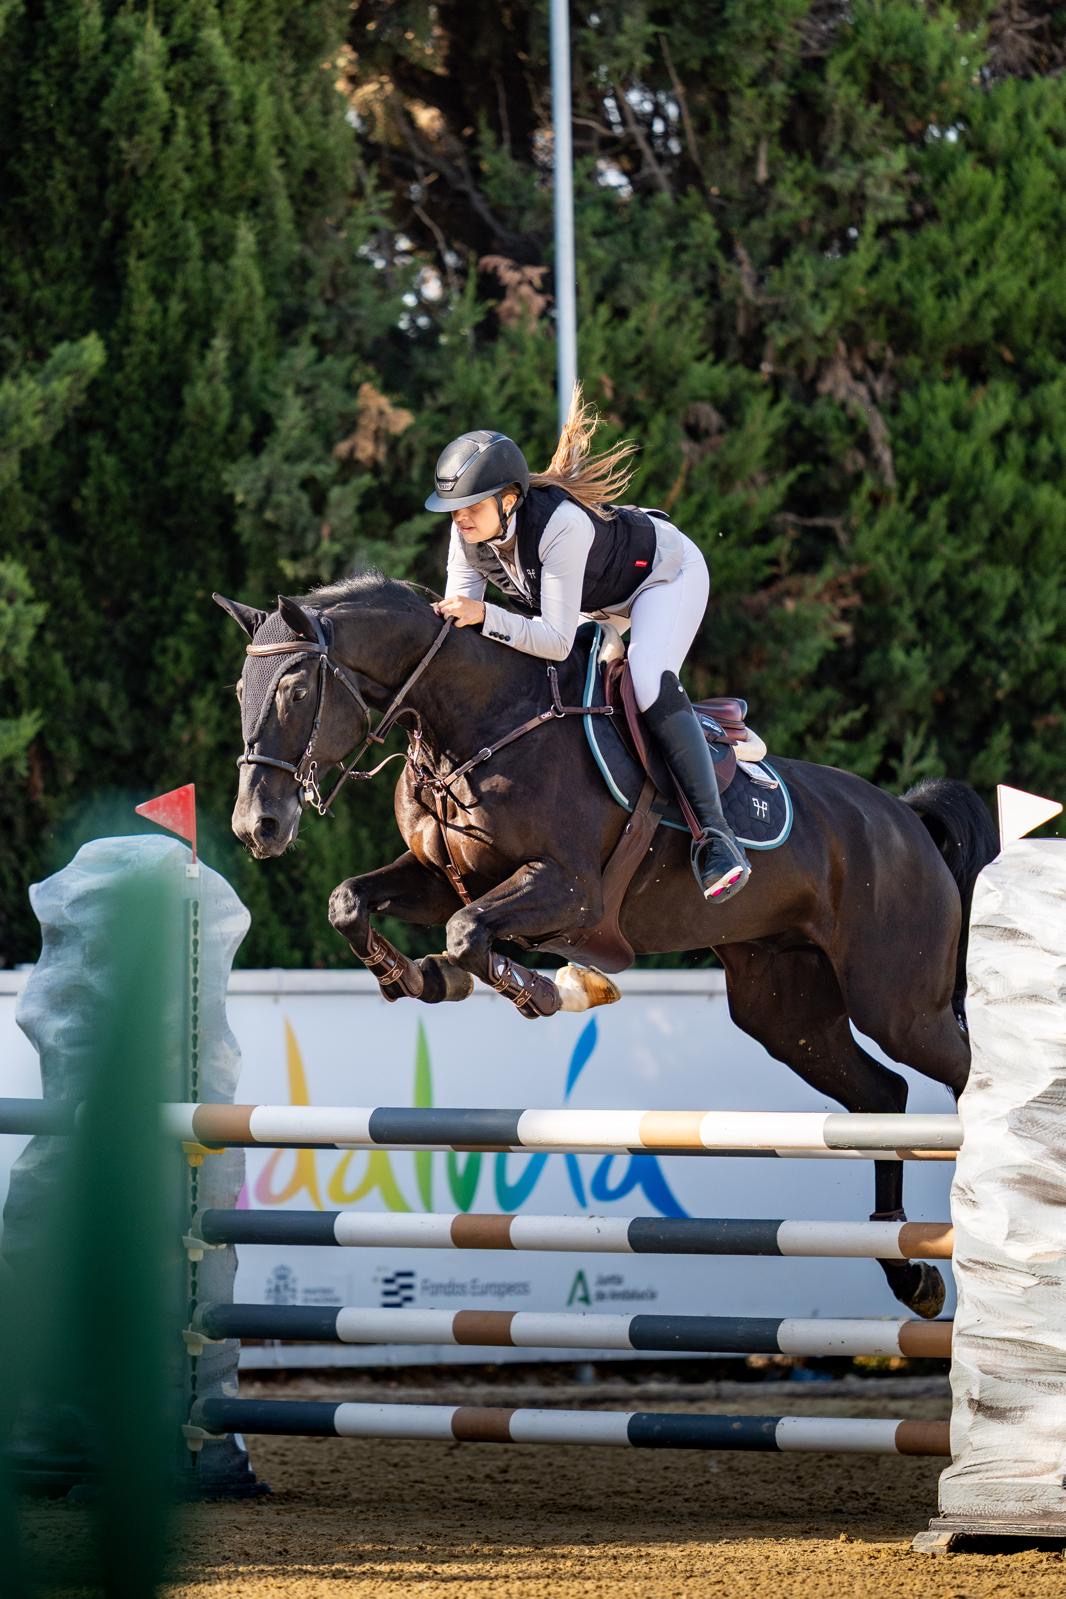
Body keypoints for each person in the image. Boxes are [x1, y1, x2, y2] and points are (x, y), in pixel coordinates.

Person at [425, 387, 750, 902]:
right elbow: (459, 622)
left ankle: (716, 839)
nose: (460, 519)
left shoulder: (560, 524)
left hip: (664, 578)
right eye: (453, 508)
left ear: (509, 501)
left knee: (645, 678)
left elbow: (550, 639)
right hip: (594, 602)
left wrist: (486, 614)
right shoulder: (467, 536)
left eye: (470, 506)